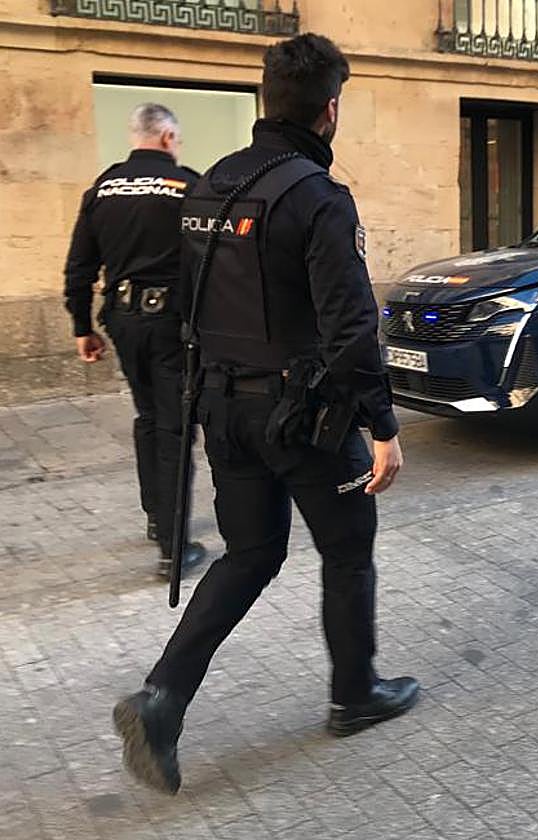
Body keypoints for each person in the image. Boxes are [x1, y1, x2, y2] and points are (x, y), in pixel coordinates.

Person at [112, 33, 418, 795]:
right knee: (347, 553)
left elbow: (190, 307)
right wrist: (383, 427)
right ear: (330, 111)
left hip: (225, 410)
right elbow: (351, 329)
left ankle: (163, 698)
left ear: (267, 99)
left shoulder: (211, 184)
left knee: (250, 554)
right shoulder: (318, 198)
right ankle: (355, 695)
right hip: (306, 417)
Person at [64, 103, 207, 578]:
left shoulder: (102, 188)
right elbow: (212, 264)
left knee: (148, 416)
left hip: (123, 321)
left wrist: (83, 327)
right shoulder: (188, 185)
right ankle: (173, 546)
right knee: (175, 426)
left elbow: (80, 267)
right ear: (167, 137)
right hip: (173, 325)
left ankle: (155, 516)